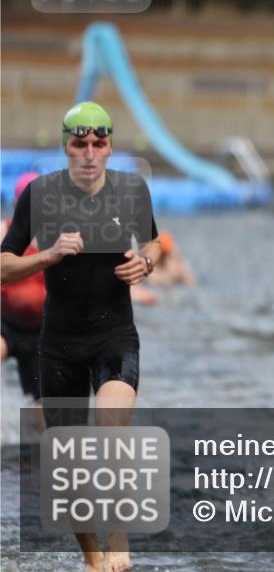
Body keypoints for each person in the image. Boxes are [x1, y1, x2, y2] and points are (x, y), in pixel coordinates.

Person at [0, 101, 161, 572]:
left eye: (98, 143)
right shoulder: (40, 196)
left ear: (109, 147)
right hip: (59, 345)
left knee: (112, 431)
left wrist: (146, 262)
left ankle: (119, 541)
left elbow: (152, 241)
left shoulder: (132, 191)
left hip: (114, 336)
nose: (90, 152)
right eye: (79, 143)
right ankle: (93, 561)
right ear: (66, 147)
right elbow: (4, 265)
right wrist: (48, 256)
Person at [1, 173, 44, 411]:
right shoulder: (3, 232)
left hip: (43, 334)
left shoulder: (58, 239)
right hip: (5, 325)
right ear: (15, 204)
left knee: (43, 411)